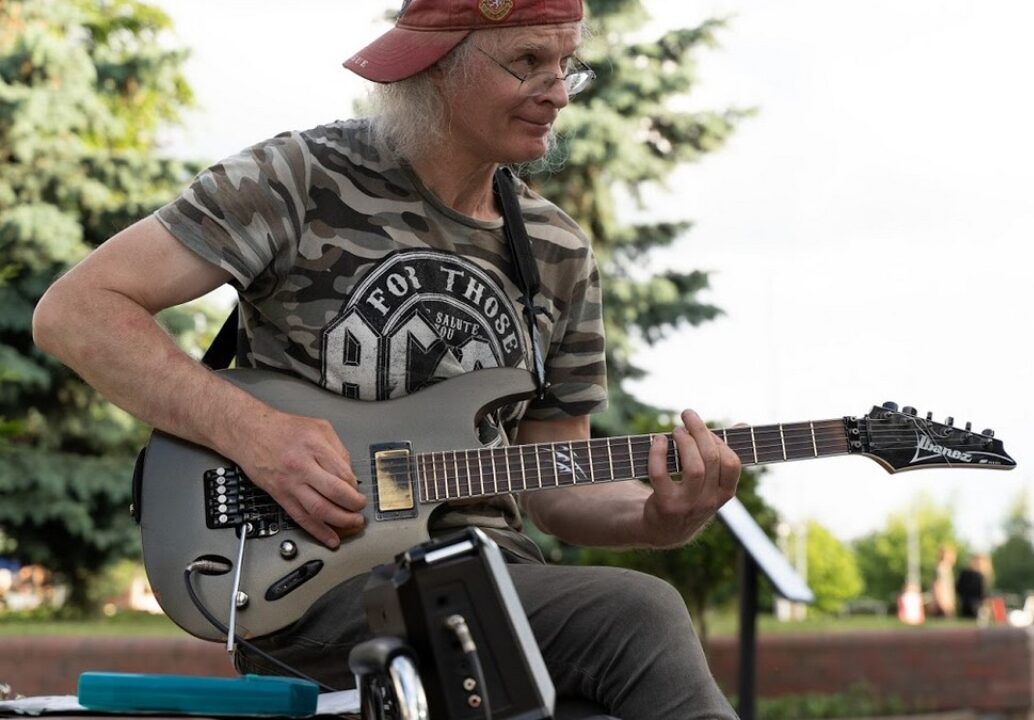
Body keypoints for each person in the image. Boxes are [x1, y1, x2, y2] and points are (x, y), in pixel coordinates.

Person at [31, 1, 743, 716]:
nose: (557, 89)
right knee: (640, 614)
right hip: (314, 585)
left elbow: (557, 479)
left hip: (492, 587)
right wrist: (253, 433)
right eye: (527, 61)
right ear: (433, 64)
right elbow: (77, 312)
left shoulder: (557, 251)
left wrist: (659, 520)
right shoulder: (300, 179)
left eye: (565, 64)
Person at [955, 554, 987, 620]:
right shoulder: (978, 575)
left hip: (966, 603)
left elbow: (958, 588)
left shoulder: (964, 573)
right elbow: (982, 592)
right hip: (974, 604)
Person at [932, 545, 956, 618]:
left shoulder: (947, 568)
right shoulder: (941, 568)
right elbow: (937, 585)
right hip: (942, 600)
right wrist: (941, 601)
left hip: (947, 600)